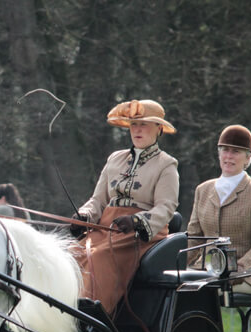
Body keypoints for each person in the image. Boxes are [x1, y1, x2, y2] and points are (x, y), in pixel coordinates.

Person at [71, 99, 179, 315]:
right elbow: (98, 200)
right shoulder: (114, 159)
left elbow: (166, 207)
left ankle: (93, 317)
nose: (137, 130)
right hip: (107, 228)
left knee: (100, 257)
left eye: (144, 124)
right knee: (72, 253)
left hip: (141, 235)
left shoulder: (166, 164)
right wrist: (84, 216)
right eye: (133, 125)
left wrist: (137, 221)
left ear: (158, 129)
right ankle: (62, 312)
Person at [187, 124, 251, 294]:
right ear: (219, 154)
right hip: (205, 271)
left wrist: (240, 266)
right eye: (225, 150)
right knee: (173, 291)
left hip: (245, 274)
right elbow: (194, 237)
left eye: (236, 152)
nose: (228, 156)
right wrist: (172, 264)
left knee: (205, 293)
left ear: (248, 158)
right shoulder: (203, 190)